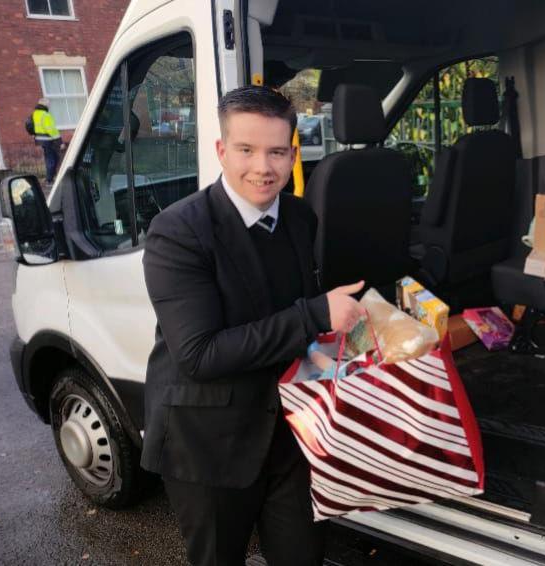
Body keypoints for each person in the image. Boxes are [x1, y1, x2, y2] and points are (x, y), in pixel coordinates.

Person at [141, 86, 366, 566]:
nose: (263, 167)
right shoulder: (178, 232)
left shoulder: (301, 217)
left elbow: (292, 315)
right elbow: (200, 355)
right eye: (246, 149)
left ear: (293, 153)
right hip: (209, 444)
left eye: (277, 151)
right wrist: (315, 315)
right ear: (222, 150)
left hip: (289, 433)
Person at [32, 98, 64, 185]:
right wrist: (60, 142)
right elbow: (51, 130)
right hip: (49, 140)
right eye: (48, 104)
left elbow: (29, 125)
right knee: (52, 159)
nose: (49, 105)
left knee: (51, 158)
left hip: (41, 140)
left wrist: (34, 135)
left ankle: (50, 178)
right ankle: (49, 180)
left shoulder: (35, 114)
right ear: (44, 104)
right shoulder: (45, 115)